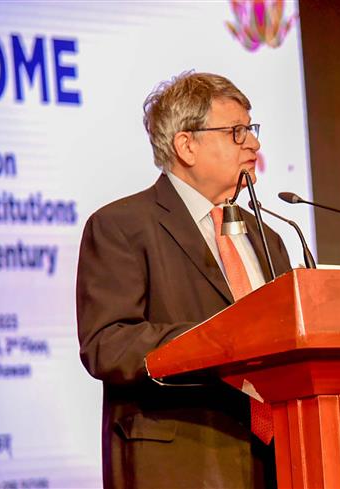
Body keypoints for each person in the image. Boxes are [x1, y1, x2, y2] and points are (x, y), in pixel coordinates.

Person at [76, 72, 292, 489]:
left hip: (278, 460)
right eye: (237, 131)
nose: (254, 143)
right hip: (182, 461)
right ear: (186, 145)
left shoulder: (269, 235)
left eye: (252, 129)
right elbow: (108, 344)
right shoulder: (121, 226)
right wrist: (219, 340)